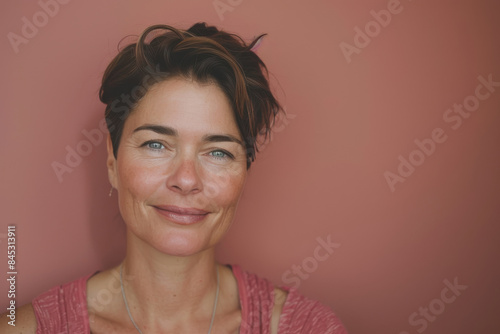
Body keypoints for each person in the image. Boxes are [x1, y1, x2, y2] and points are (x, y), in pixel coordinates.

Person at [1, 22, 348, 333]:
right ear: (112, 159)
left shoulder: (307, 328)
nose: (186, 180)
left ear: (245, 171)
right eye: (156, 144)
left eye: (218, 152)